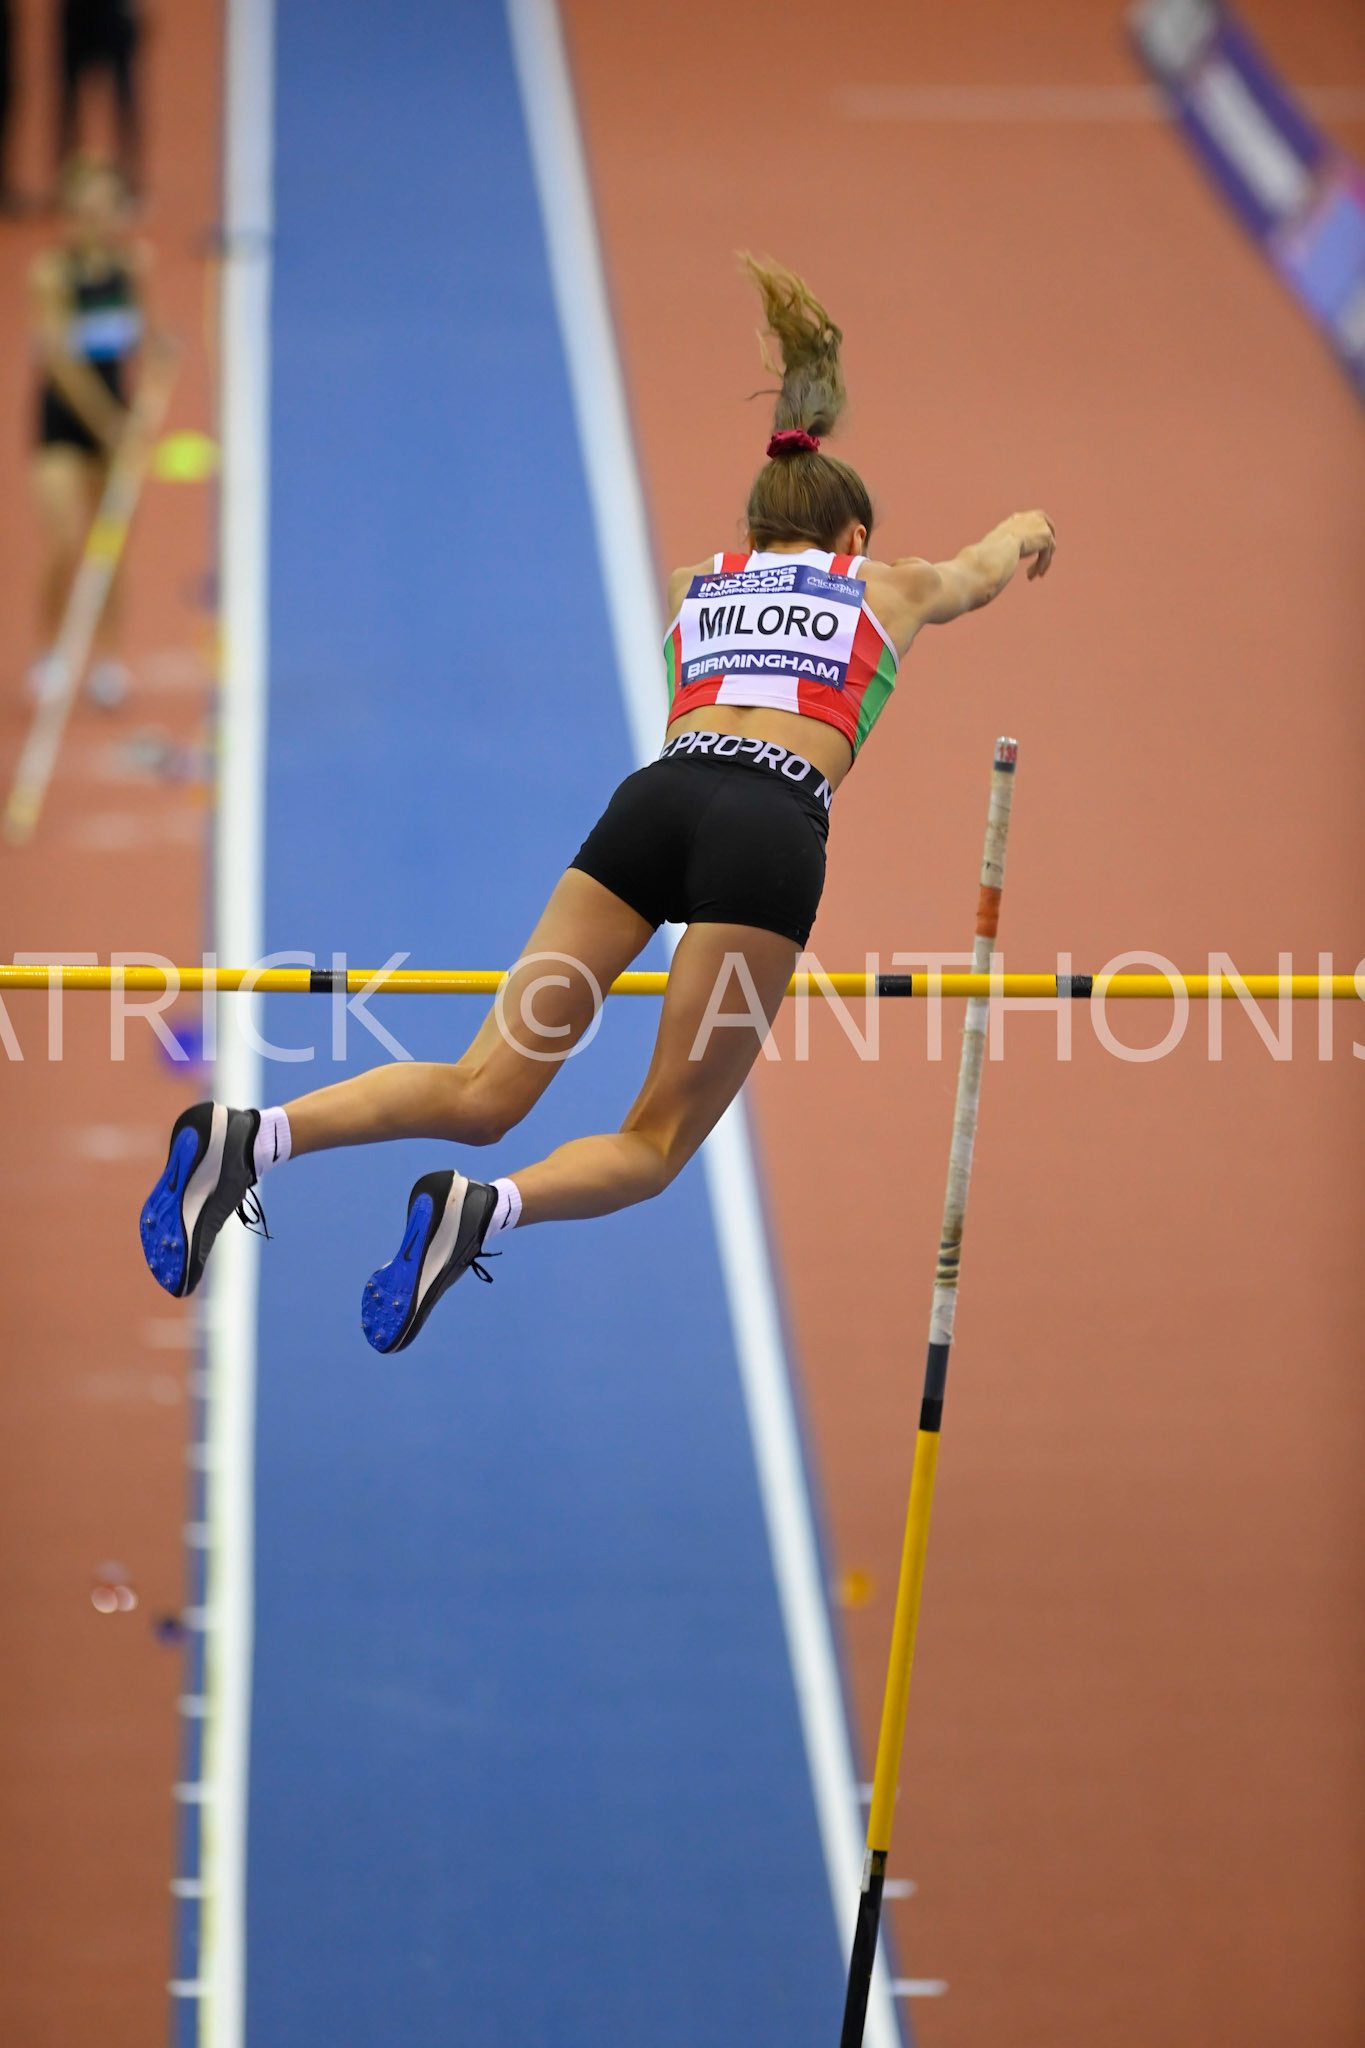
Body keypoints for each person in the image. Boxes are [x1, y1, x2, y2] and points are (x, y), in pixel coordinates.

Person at [139, 256, 1055, 1353]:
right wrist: (1027, 528)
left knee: (482, 1084)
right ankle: (490, 1207)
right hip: (769, 833)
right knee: (657, 1140)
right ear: (852, 540)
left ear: (755, 530)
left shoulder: (691, 587)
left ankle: (254, 1132)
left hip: (653, 809)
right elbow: (983, 568)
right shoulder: (888, 586)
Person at [28, 154, 147, 707]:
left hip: (116, 418)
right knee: (65, 541)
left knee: (109, 546)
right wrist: (109, 421)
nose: (96, 220)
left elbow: (143, 344)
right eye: (85, 211)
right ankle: (51, 654)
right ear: (71, 215)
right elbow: (63, 361)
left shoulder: (133, 266)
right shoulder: (52, 273)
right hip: (64, 420)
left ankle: (108, 661)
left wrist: (140, 404)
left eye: (106, 210)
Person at [57, 0, 143, 198]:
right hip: (78, 13)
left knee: (125, 97)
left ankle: (131, 180)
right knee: (69, 100)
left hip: (114, 12)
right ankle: (65, 181)